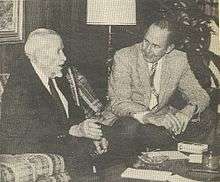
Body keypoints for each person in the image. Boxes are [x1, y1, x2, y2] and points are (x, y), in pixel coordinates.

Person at [0, 28, 108, 174]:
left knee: (111, 138)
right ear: (41, 55)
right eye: (58, 51)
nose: (64, 57)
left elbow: (73, 113)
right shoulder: (21, 82)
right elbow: (26, 129)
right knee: (78, 148)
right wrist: (74, 131)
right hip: (26, 144)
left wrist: (90, 133)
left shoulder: (56, 75)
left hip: (59, 138)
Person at [108, 19, 213, 149]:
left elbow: (200, 95)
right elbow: (119, 103)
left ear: (169, 48)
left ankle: (187, 163)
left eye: (156, 46)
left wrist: (187, 111)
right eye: (146, 41)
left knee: (207, 117)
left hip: (161, 120)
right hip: (129, 118)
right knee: (131, 127)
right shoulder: (124, 57)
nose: (147, 50)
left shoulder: (178, 60)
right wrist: (150, 117)